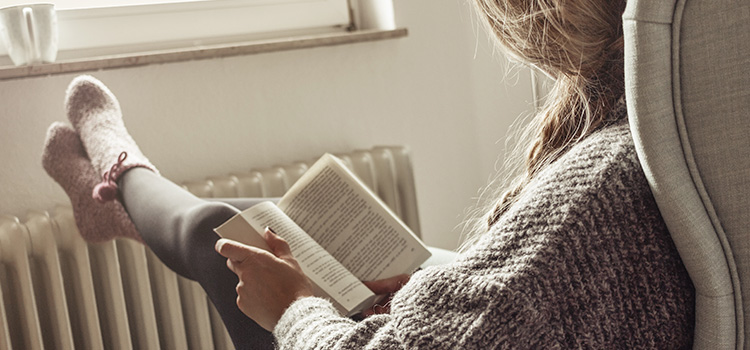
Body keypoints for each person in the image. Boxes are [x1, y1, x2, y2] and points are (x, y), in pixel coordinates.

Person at [42, 0, 696, 348]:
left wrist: (297, 308)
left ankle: (123, 173)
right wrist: (429, 292)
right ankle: (124, 199)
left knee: (230, 234)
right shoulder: (675, 142)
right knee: (275, 225)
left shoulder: (598, 186)